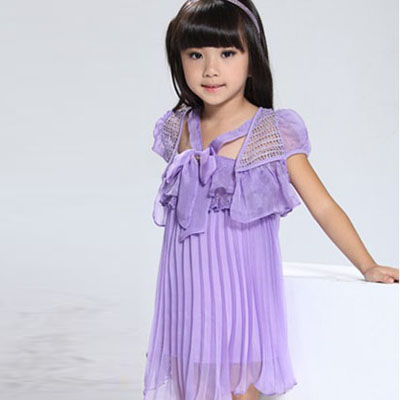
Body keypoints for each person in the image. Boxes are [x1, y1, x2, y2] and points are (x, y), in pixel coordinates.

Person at [142, 0, 399, 399]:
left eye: (227, 53)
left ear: (252, 59)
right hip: (188, 302)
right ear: (179, 60)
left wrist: (367, 264)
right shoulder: (179, 129)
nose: (211, 69)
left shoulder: (271, 133)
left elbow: (323, 205)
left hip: (242, 305)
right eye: (196, 55)